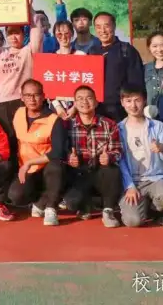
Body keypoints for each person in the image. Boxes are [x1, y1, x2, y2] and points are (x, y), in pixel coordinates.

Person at [60, 85, 123, 228]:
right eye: (80, 99)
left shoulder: (109, 124)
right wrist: (70, 159)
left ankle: (108, 210)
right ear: (75, 103)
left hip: (101, 171)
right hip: (79, 172)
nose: (84, 102)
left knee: (112, 170)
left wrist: (109, 157)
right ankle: (85, 204)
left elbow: (118, 151)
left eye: (89, 98)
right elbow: (61, 151)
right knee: (72, 202)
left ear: (96, 102)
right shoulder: (67, 125)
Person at [8, 80, 66, 226]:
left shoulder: (54, 120)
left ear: (43, 96)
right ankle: (40, 201)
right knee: (16, 196)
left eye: (36, 95)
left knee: (55, 166)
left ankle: (51, 207)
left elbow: (58, 152)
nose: (32, 99)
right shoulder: (18, 113)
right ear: (22, 97)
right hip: (26, 169)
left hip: (46, 167)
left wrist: (30, 162)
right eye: (28, 95)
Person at [117, 87, 163, 228]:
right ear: (122, 103)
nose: (133, 105)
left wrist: (162, 148)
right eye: (128, 101)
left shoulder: (157, 126)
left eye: (137, 100)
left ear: (144, 101)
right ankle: (141, 207)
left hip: (155, 178)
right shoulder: (118, 129)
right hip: (132, 181)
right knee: (133, 222)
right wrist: (129, 186)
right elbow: (120, 161)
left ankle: (157, 212)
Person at [0, 15, 43, 135]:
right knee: (9, 137)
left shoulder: (29, 51)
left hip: (24, 100)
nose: (13, 37)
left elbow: (37, 34)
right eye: (10, 33)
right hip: (4, 101)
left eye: (16, 33)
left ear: (23, 34)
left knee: (25, 135)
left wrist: (30, 12)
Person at [92, 12, 144, 121]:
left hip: (120, 110)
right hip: (97, 109)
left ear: (114, 26)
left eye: (106, 26)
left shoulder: (127, 50)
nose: (103, 30)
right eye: (98, 27)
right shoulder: (92, 51)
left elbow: (136, 82)